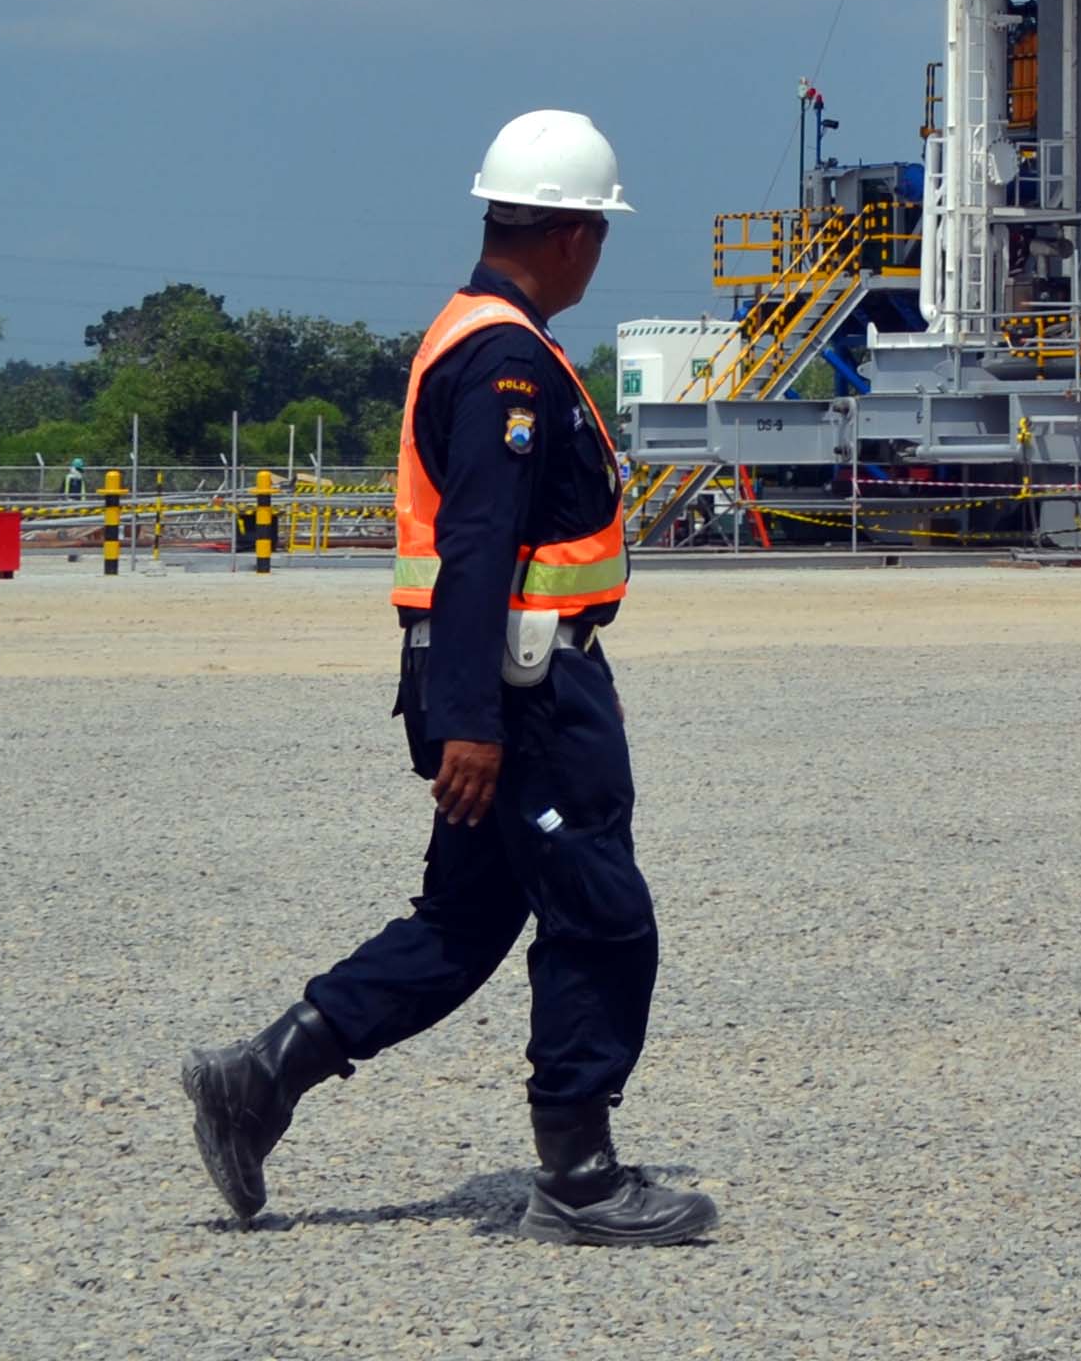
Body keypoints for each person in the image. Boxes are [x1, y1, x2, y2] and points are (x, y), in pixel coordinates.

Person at [179, 110, 715, 1245]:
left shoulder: (477, 335)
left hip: (491, 687)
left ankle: (258, 1079)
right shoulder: (508, 359)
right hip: (522, 698)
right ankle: (578, 1180)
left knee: (465, 922)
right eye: (602, 233)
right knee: (601, 915)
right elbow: (479, 545)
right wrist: (474, 720)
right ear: (573, 234)